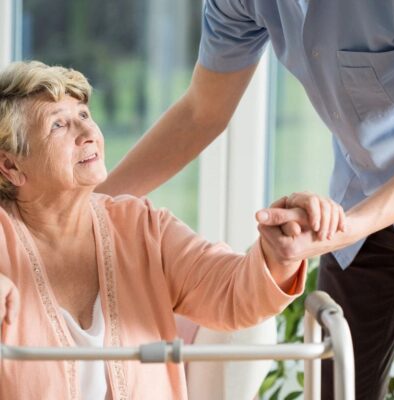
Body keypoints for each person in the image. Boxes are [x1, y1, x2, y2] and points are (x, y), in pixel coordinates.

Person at [97, 1, 394, 399]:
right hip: (362, 200)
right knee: (336, 385)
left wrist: (342, 230)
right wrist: (84, 210)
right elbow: (202, 112)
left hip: (358, 220)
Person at [0, 61, 346, 399]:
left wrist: (278, 253)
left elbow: (231, 291)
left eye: (84, 116)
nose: (88, 134)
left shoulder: (141, 226)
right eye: (59, 125)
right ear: (11, 166)